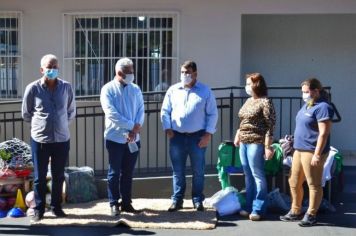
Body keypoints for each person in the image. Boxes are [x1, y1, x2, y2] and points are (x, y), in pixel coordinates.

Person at [22, 54, 76, 221]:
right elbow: (26, 113)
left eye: (55, 67)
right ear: (42, 69)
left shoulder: (66, 87)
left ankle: (56, 207)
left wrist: (60, 124)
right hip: (40, 140)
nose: (52, 70)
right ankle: (39, 210)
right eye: (49, 67)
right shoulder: (33, 88)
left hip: (61, 139)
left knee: (58, 175)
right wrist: (41, 126)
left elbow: (71, 111)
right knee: (39, 177)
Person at [161, 60, 218, 212]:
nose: (184, 75)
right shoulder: (173, 90)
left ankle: (197, 199)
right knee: (177, 171)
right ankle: (177, 200)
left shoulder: (205, 91)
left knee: (198, 170)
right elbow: (165, 111)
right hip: (177, 137)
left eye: (187, 72)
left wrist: (208, 134)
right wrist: (167, 128)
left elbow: (213, 113)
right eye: (182, 72)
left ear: (195, 74)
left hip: (197, 137)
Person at [280, 78, 334, 227]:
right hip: (299, 150)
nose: (304, 95)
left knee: (313, 184)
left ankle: (311, 214)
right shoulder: (308, 105)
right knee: (294, 181)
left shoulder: (323, 107)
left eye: (306, 92)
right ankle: (295, 210)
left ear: (316, 91)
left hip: (312, 151)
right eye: (302, 92)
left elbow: (323, 133)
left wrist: (317, 154)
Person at [100, 57, 144, 216]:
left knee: (128, 173)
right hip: (115, 138)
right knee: (114, 172)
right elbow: (111, 114)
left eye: (132, 71)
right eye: (129, 72)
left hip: (133, 138)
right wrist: (131, 126)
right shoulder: (108, 89)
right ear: (119, 72)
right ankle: (113, 203)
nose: (132, 74)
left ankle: (126, 203)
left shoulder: (135, 89)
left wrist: (136, 128)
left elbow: (141, 109)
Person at [233, 73, 276, 221]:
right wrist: (238, 133)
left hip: (256, 142)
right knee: (248, 176)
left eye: (248, 83)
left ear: (256, 85)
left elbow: (270, 125)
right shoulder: (248, 100)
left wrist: (267, 146)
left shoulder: (265, 102)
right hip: (244, 142)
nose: (246, 86)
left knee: (257, 175)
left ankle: (258, 208)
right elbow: (243, 120)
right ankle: (249, 206)